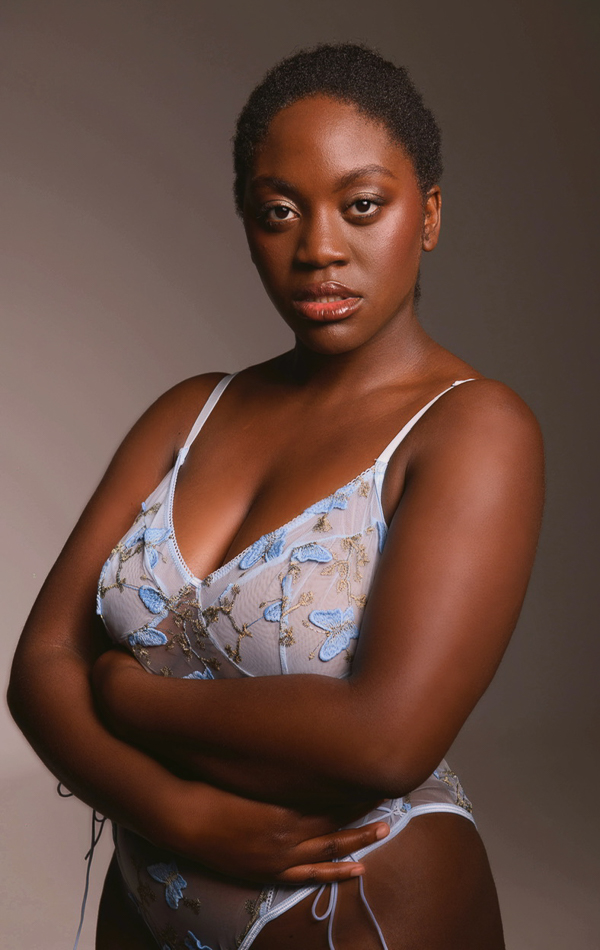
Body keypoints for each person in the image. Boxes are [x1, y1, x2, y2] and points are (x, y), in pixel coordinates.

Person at [8, 42, 545, 950]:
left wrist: (130, 700)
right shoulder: (189, 412)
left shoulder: (473, 429)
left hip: (357, 901)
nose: (319, 249)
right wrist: (177, 814)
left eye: (362, 205)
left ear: (428, 215)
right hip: (146, 899)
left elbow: (387, 737)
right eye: (279, 213)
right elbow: (39, 664)